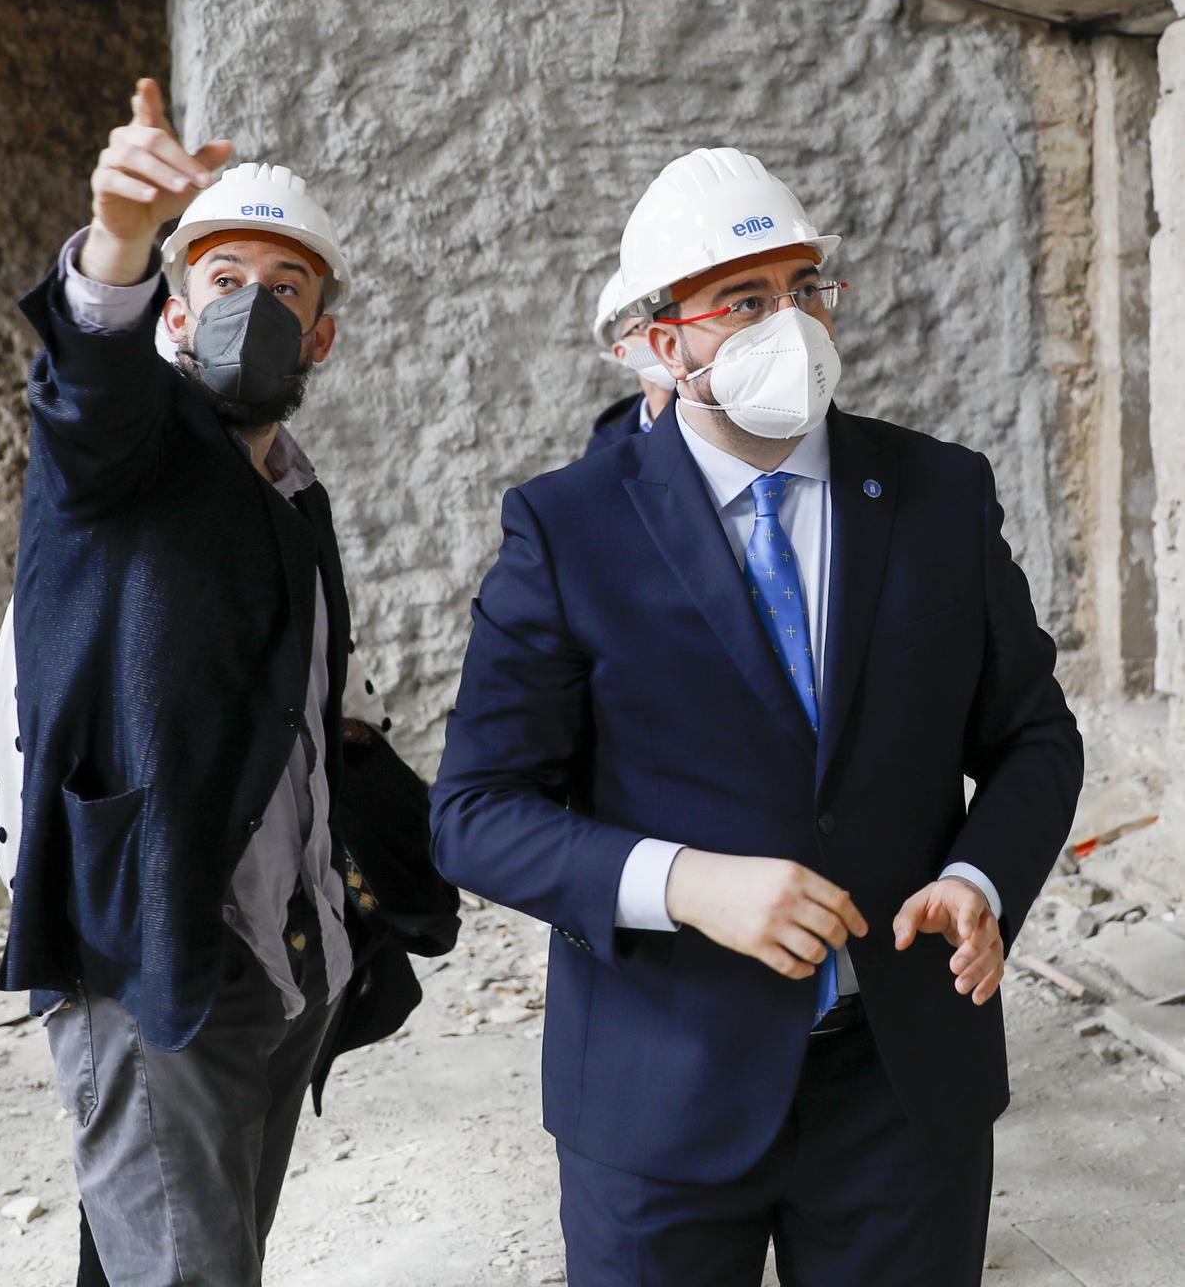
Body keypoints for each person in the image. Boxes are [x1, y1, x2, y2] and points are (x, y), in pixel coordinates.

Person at [432, 146, 1083, 1287]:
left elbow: (1034, 736)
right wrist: (685, 881)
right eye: (745, 300)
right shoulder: (568, 529)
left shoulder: (939, 494)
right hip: (658, 1102)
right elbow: (477, 812)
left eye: (806, 290)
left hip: (900, 1088)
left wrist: (980, 880)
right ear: (658, 341)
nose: (794, 325)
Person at [0, 80, 455, 1287]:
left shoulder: (296, 492)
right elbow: (85, 385)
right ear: (177, 316)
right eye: (226, 280)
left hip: (280, 960)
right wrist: (119, 237)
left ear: (324, 334)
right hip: (152, 957)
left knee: (199, 1258)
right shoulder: (126, 456)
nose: (255, 304)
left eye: (287, 287)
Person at [586, 266, 675, 453]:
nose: (666, 333)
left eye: (672, 316)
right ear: (622, 353)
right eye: (645, 325)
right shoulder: (607, 447)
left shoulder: (735, 414)